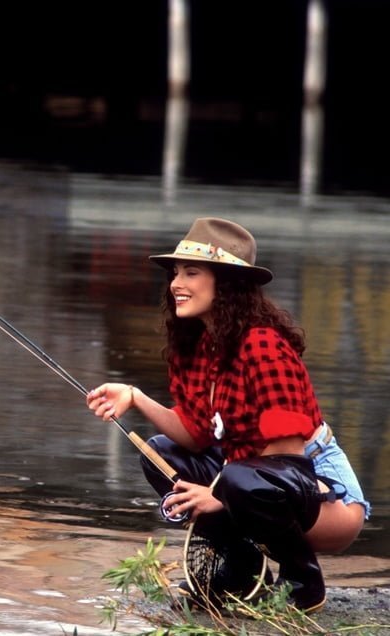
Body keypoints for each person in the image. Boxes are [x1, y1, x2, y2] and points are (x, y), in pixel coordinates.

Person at [86, 217, 370, 613]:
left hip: (324, 499)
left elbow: (287, 456)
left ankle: (304, 582)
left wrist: (218, 497)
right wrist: (134, 398)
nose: (175, 284)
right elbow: (195, 435)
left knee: (241, 479)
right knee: (160, 453)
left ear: (227, 282)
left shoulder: (263, 345)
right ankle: (242, 572)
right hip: (251, 479)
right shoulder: (200, 346)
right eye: (175, 273)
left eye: (191, 272)